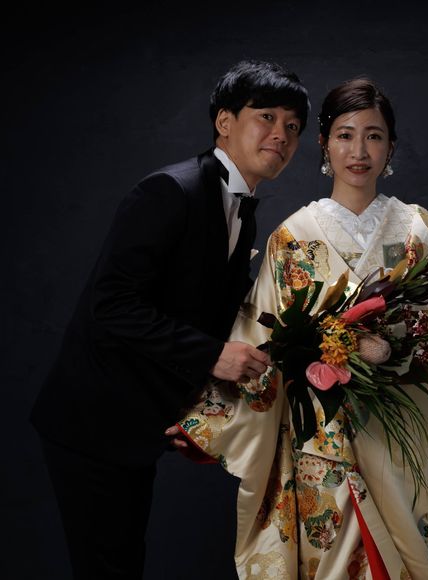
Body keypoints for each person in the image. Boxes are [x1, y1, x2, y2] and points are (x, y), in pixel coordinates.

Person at [170, 78, 428, 579]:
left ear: (391, 147)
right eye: (345, 135)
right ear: (324, 144)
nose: (359, 151)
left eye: (374, 136)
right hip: (327, 438)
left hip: (412, 433)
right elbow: (258, 339)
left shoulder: (419, 230)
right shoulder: (294, 237)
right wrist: (207, 419)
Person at [30, 60, 310, 579]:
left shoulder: (240, 209)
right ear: (224, 121)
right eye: (267, 117)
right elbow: (113, 305)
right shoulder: (170, 191)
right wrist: (214, 356)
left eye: (293, 126)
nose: (281, 134)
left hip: (137, 423)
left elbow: (193, 315)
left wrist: (194, 411)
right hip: (92, 423)